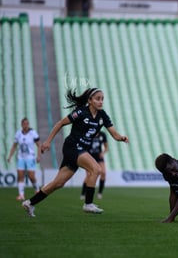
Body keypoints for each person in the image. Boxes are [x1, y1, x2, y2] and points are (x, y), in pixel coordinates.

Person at [22, 88, 129, 217]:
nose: (101, 102)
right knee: (96, 169)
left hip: (80, 150)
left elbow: (114, 134)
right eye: (97, 99)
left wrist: (121, 138)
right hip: (72, 147)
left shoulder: (103, 115)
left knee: (58, 183)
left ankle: (30, 203)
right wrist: (48, 142)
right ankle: (88, 204)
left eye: (102, 99)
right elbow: (60, 123)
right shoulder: (80, 112)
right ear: (89, 100)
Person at [7, 118, 41, 201]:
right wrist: (10, 156)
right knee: (20, 176)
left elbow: (39, 145)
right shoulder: (18, 134)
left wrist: (39, 156)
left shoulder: (33, 133)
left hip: (30, 157)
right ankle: (21, 195)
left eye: (27, 124)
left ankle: (37, 190)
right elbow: (14, 146)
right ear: (22, 124)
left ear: (28, 124)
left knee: (31, 176)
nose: (25, 125)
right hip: (21, 157)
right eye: (24, 124)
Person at [80, 131, 108, 200]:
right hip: (90, 157)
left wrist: (103, 153)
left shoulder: (102, 134)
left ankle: (100, 193)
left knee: (103, 173)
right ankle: (83, 193)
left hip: (99, 157)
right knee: (89, 175)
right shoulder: (88, 133)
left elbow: (106, 147)